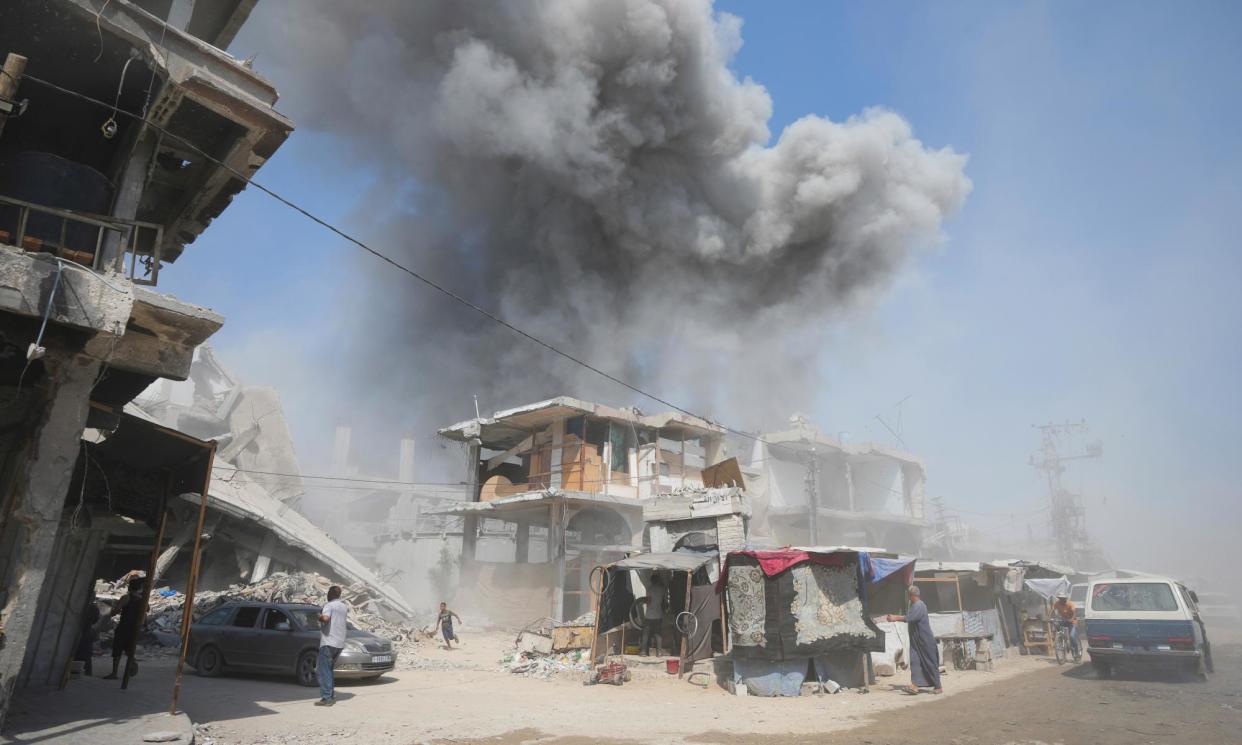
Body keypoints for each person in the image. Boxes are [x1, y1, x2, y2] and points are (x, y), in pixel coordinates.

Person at [887, 585, 942, 694]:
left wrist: (895, 618)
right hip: (916, 641)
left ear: (911, 596)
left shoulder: (919, 606)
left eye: (909, 596)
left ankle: (938, 686)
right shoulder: (915, 606)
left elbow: (910, 618)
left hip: (925, 641)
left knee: (930, 662)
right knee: (915, 662)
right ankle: (915, 685)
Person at [103, 576, 144, 680]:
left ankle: (114, 672)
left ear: (129, 587)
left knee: (117, 648)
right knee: (129, 648)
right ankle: (133, 662)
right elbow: (146, 610)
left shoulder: (126, 597)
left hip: (124, 625)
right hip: (135, 627)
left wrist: (112, 611)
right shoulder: (141, 599)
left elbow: (116, 611)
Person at [316, 585, 348, 706]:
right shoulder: (344, 607)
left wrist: (318, 616)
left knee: (323, 670)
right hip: (339, 643)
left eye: (328, 593)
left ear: (330, 594)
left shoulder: (329, 606)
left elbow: (325, 618)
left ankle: (327, 698)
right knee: (328, 670)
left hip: (328, 641)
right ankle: (331, 695)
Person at [75, 589, 101, 676]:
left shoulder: (81, 606)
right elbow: (95, 620)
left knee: (78, 652)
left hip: (80, 631)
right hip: (88, 632)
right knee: (86, 654)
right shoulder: (94, 608)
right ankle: (87, 672)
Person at [640, 574, 666, 657]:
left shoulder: (649, 589)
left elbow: (648, 601)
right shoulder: (662, 589)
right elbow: (664, 602)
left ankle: (644, 652)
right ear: (658, 580)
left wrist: (644, 601)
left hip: (649, 615)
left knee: (645, 634)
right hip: (658, 615)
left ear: (651, 581)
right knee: (658, 634)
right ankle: (659, 653)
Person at [1051, 593, 1080, 658]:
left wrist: (1071, 619)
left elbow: (1074, 613)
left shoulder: (1070, 604)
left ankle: (1076, 651)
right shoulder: (1057, 603)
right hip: (1064, 621)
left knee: (1072, 636)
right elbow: (1053, 611)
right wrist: (1051, 618)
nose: (1061, 600)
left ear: (1066, 599)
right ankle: (1061, 639)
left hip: (1072, 622)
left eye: (1063, 599)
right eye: (1060, 599)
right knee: (1056, 624)